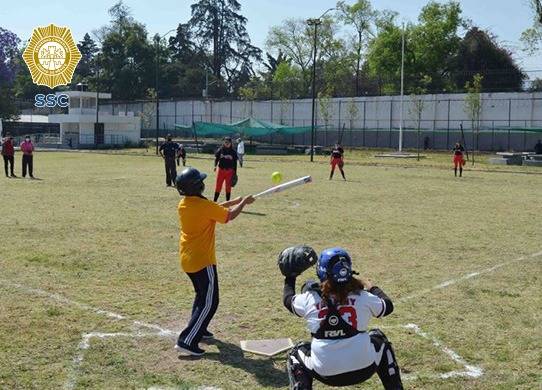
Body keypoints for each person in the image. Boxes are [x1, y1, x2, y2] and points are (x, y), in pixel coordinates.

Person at [281, 246, 403, 390]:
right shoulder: (363, 297)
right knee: (379, 338)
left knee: (297, 352)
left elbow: (288, 300)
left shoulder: (309, 298)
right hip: (365, 369)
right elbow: (387, 307)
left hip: (326, 374)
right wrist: (372, 287)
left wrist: (290, 277)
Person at [174, 167, 255, 356]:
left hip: (188, 259)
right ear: (197, 187)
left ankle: (199, 329)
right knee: (210, 302)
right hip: (203, 261)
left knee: (202, 296)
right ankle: (187, 340)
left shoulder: (185, 204)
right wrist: (243, 203)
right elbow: (228, 216)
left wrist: (235, 201)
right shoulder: (203, 207)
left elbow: (213, 208)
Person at [213, 136, 238, 202]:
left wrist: (235, 173)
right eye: (225, 142)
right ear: (223, 142)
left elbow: (235, 163)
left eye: (228, 142)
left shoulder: (233, 152)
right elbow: (216, 158)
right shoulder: (220, 150)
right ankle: (214, 201)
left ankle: (228, 202)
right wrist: (215, 166)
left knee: (228, 187)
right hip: (221, 170)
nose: (227, 143)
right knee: (218, 186)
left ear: (231, 143)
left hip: (230, 171)